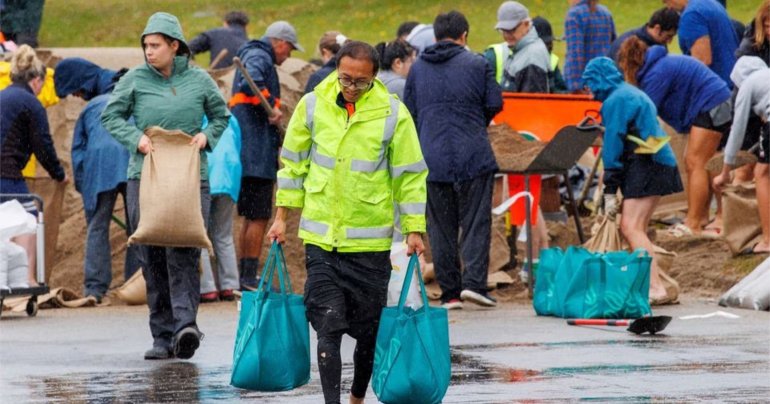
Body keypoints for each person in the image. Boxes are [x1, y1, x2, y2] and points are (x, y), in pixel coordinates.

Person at [268, 41, 427, 404]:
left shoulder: (392, 114)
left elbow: (410, 176)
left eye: (360, 82)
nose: (351, 87)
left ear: (375, 78)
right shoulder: (312, 106)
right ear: (335, 69)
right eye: (345, 79)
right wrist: (281, 217)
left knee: (368, 332)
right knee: (328, 323)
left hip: (369, 246)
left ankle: (357, 395)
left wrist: (414, 228)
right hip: (322, 240)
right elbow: (293, 167)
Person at [102, 12, 229, 360]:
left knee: (185, 250)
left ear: (175, 46)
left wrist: (207, 135)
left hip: (190, 178)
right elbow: (110, 116)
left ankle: (185, 328)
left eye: (155, 45)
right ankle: (161, 335)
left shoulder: (200, 81)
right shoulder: (134, 80)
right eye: (145, 45)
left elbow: (222, 116)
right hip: (145, 177)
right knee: (153, 253)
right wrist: (136, 139)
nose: (148, 52)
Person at [404, 10, 503, 309]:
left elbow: (411, 111)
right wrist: (474, 123)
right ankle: (473, 285)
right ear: (465, 36)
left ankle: (449, 293)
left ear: (434, 36)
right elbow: (495, 103)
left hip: (431, 157)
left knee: (440, 226)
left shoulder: (419, 68)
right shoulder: (478, 63)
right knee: (475, 221)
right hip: (473, 153)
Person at [582, 57, 683, 305]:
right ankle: (650, 284)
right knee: (637, 228)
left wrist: (610, 190)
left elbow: (614, 144)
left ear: (599, 78)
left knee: (630, 227)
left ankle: (655, 287)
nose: (588, 91)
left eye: (589, 84)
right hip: (657, 162)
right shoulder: (629, 92)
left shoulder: (615, 100)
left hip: (647, 164)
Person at [617, 38, 731, 237]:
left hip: (712, 104)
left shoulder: (656, 74)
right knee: (707, 162)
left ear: (629, 64)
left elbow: (643, 115)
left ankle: (694, 223)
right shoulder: (657, 66)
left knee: (695, 162)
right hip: (715, 102)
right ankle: (708, 216)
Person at [53, 57, 139, 302]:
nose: (79, 97)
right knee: (138, 227)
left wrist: (84, 186)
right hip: (134, 163)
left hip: (100, 169)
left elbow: (78, 152)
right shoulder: (134, 98)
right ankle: (135, 283)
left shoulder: (91, 108)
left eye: (78, 92)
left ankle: (95, 288)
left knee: (98, 226)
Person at [230, 21, 302, 290]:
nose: (288, 56)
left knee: (250, 216)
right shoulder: (259, 55)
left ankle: (244, 275)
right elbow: (253, 82)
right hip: (256, 152)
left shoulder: (251, 52)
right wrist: (271, 108)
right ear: (280, 42)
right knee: (258, 216)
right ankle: (248, 277)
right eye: (290, 49)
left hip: (248, 151)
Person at [0, 45, 68, 286]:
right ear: (37, 80)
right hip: (7, 173)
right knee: (28, 218)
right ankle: (26, 279)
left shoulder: (3, 96)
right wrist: (59, 175)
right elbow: (44, 146)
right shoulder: (30, 103)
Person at [713, 57, 770, 254]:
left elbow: (737, 131)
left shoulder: (748, 84)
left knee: (763, 174)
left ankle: (768, 240)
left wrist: (725, 172)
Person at [199, 115, 242, 303]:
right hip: (230, 177)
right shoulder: (230, 117)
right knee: (223, 234)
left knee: (199, 234)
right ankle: (229, 285)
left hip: (207, 174)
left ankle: (207, 288)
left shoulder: (196, 115)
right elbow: (238, 144)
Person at [663, 0, 739, 88]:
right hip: (732, 81)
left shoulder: (692, 15)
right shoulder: (710, 3)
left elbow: (702, 61)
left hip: (714, 89)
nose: (668, 7)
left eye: (666, 1)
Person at [484, 1, 550, 92]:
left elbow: (532, 104)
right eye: (503, 30)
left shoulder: (532, 57)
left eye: (511, 30)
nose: (507, 35)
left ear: (526, 24)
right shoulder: (520, 49)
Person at [563, 0, 616, 93]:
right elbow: (615, 46)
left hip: (585, 85)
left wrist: (575, 87)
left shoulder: (575, 15)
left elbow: (575, 52)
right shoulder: (605, 13)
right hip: (606, 81)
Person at [607, 7, 679, 62]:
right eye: (668, 36)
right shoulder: (628, 44)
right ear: (657, 29)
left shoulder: (659, 42)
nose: (669, 41)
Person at [532, 16, 567, 93]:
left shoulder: (552, 60)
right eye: (546, 43)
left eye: (550, 42)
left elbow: (561, 89)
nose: (550, 46)